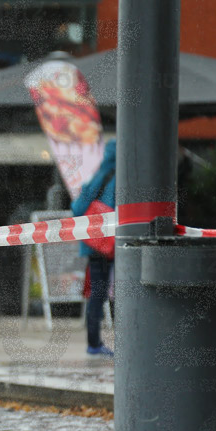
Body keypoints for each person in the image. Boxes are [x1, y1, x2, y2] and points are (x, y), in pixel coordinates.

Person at [72, 138, 116, 358]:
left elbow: (78, 207)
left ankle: (94, 342)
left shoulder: (99, 176)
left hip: (94, 244)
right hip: (111, 244)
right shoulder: (122, 177)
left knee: (96, 293)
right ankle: (95, 343)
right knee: (106, 293)